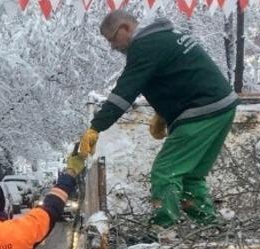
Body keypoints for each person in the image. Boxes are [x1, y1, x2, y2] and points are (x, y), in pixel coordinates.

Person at [79, 11, 238, 232]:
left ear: (125, 28)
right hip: (221, 107)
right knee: (190, 177)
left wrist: (96, 127)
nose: (113, 47)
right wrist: (163, 114)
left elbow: (124, 93)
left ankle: (164, 232)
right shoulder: (165, 37)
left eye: (112, 39)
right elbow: (178, 75)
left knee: (165, 171)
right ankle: (212, 228)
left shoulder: (144, 45)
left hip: (202, 110)